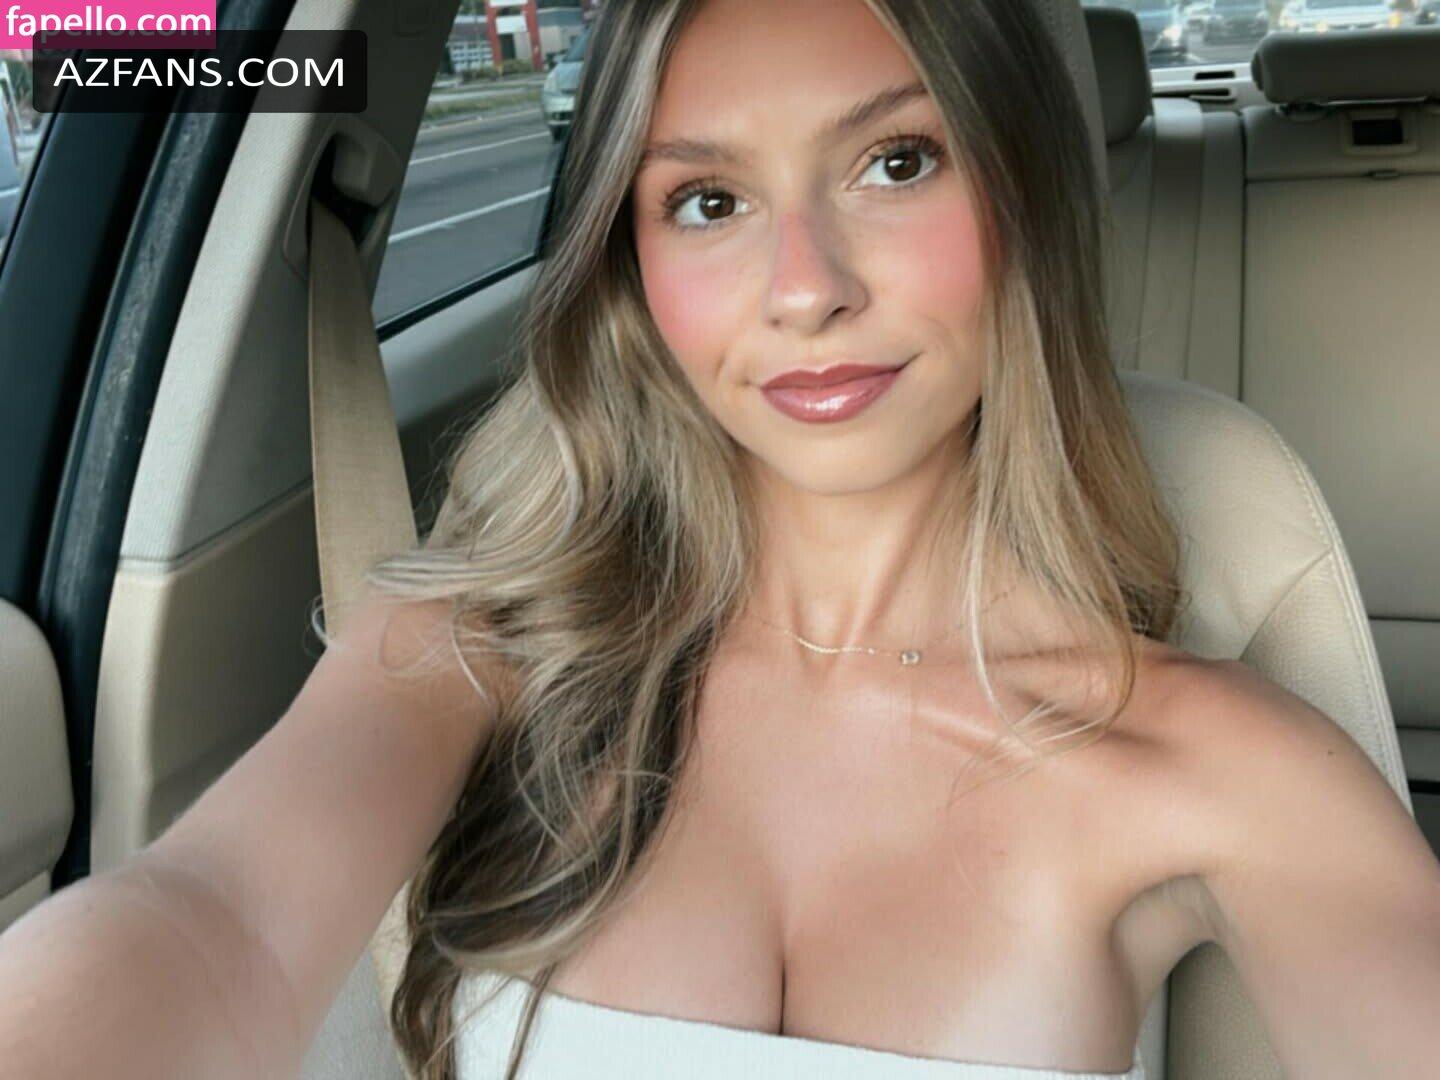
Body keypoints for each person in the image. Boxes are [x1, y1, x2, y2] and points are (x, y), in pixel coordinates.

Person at [2, 1, 1438, 1078]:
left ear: (1023, 197)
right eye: (708, 200)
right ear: (632, 266)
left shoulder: (1224, 768)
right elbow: (214, 921)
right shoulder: (482, 647)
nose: (804, 289)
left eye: (894, 162)